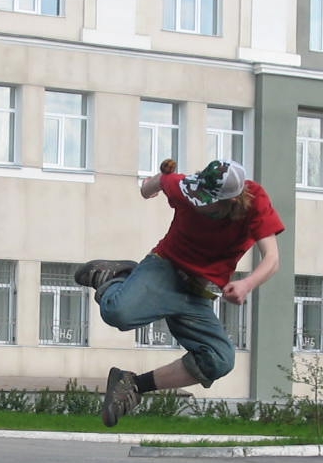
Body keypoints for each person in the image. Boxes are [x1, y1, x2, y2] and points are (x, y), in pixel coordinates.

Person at [75, 158, 285, 427]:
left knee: (219, 360)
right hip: (166, 268)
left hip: (196, 292)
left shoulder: (255, 202)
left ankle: (133, 385)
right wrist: (151, 186)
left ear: (231, 201)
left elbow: (272, 258)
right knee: (117, 313)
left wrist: (247, 284)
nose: (199, 203)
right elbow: (152, 186)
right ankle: (120, 276)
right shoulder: (185, 187)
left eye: (208, 201)